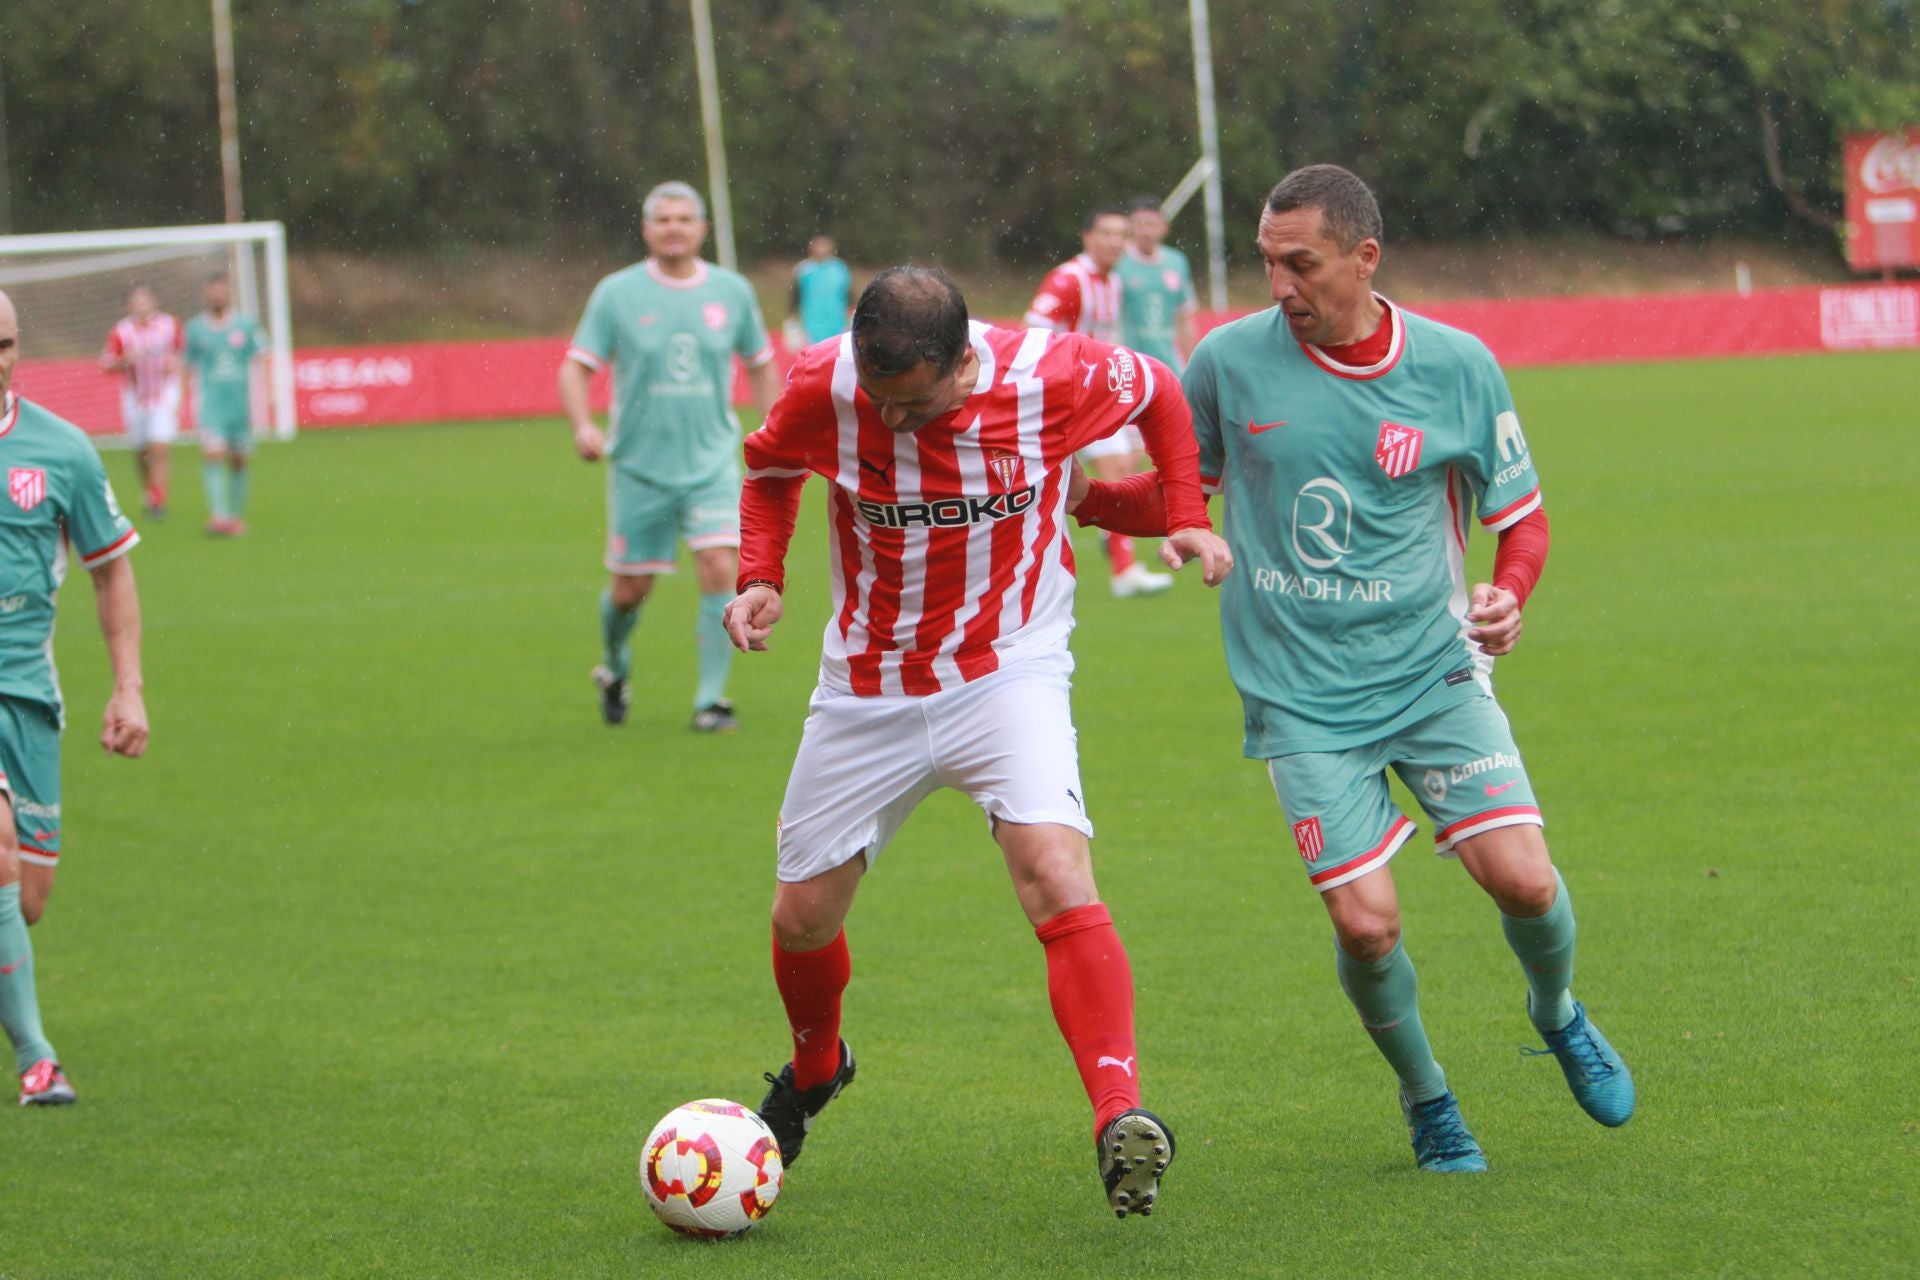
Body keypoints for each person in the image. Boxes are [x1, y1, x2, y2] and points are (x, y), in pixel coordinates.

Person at [1073, 164, 1633, 1174]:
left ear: (1364, 258)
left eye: (1302, 263)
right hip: (1299, 694)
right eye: (1267, 262)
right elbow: (1182, 491)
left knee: (1525, 879)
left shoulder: (1458, 365)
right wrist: (1078, 496)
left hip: (1432, 672)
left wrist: (1510, 591)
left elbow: (1522, 515)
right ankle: (1431, 1102)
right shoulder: (1227, 361)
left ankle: (1557, 1012)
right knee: (1366, 924)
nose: (1280, 284)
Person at [723, 267, 1231, 1217]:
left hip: (1010, 670)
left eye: (913, 405)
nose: (894, 422)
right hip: (867, 684)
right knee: (802, 921)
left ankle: (1118, 1118)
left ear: (965, 363)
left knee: (1056, 873)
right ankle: (816, 1064)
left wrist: (1190, 516)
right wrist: (761, 575)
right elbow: (768, 471)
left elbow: (1161, 390)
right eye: (880, 404)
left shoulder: (1053, 372)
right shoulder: (822, 385)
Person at [557, 181, 782, 731]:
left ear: (702, 229)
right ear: (647, 229)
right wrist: (584, 425)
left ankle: (710, 701)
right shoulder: (617, 293)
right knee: (631, 590)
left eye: (684, 218)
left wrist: (776, 427)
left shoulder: (732, 292)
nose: (674, 227)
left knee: (718, 567)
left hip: (711, 465)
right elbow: (575, 366)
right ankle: (614, 666)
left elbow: (759, 361)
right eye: (664, 219)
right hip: (639, 467)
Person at [0, 288, 149, 1106]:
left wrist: (128, 690)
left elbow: (110, 568)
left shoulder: (61, 451)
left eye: (5, 343)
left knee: (28, 898)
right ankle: (38, 1057)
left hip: (27, 693)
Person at [1026, 206, 1171, 598]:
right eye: (1105, 233)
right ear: (1087, 237)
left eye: (1120, 235)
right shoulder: (1069, 279)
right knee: (1105, 473)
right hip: (1066, 395)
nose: (1113, 242)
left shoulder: (1112, 282)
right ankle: (1119, 566)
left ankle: (1117, 558)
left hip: (1093, 394)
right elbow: (1035, 329)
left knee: (1121, 467)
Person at [183, 274, 269, 536]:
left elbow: (263, 356)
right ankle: (219, 516)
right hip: (212, 405)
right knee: (214, 455)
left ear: (229, 294)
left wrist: (268, 393)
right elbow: (186, 364)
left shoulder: (245, 325)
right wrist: (184, 399)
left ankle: (235, 515)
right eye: (213, 292)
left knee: (240, 460)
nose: (217, 297)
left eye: (221, 292)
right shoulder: (195, 328)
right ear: (206, 296)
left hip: (240, 405)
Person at [100, 284, 183, 519]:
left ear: (154, 302)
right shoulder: (121, 331)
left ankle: (159, 497)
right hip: (135, 398)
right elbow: (106, 363)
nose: (141, 306)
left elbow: (183, 355)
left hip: (164, 393)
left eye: (145, 300)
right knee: (142, 452)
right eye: (136, 302)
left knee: (160, 446)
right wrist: (124, 361)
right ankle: (149, 488)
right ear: (129, 306)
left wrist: (175, 365)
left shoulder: (170, 325)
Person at [1115, 197, 1199, 375]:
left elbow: (1183, 318)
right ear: (1130, 227)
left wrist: (1193, 363)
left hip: (1167, 363)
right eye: (1141, 224)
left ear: (1164, 227)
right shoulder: (1117, 261)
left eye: (1152, 224)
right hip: (1128, 363)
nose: (1146, 231)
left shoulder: (1177, 262)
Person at [786, 234, 852, 348]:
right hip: (811, 317)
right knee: (813, 349)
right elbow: (795, 295)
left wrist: (851, 314)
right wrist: (792, 318)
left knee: (834, 348)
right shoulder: (803, 270)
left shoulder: (840, 268)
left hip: (836, 317)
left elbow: (849, 294)